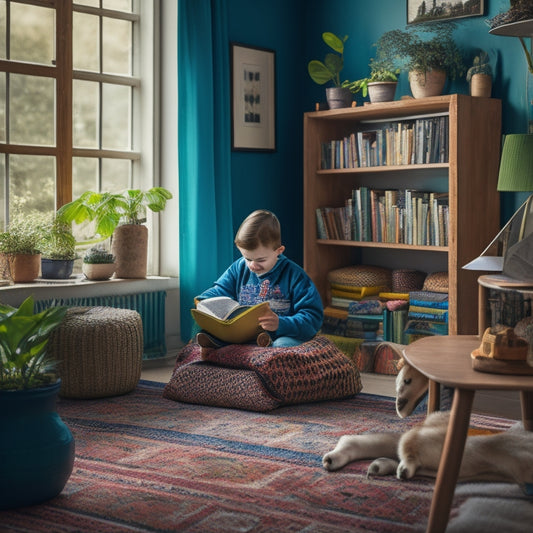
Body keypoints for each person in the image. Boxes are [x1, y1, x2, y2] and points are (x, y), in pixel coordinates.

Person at [195, 209, 323, 350]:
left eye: (261, 260)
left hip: (282, 335)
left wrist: (281, 324)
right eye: (248, 258)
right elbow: (220, 290)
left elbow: (313, 318)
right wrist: (203, 301)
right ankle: (223, 349)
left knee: (282, 345)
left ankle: (257, 354)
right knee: (205, 334)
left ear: (279, 251)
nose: (253, 265)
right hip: (245, 336)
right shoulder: (239, 267)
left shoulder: (295, 276)